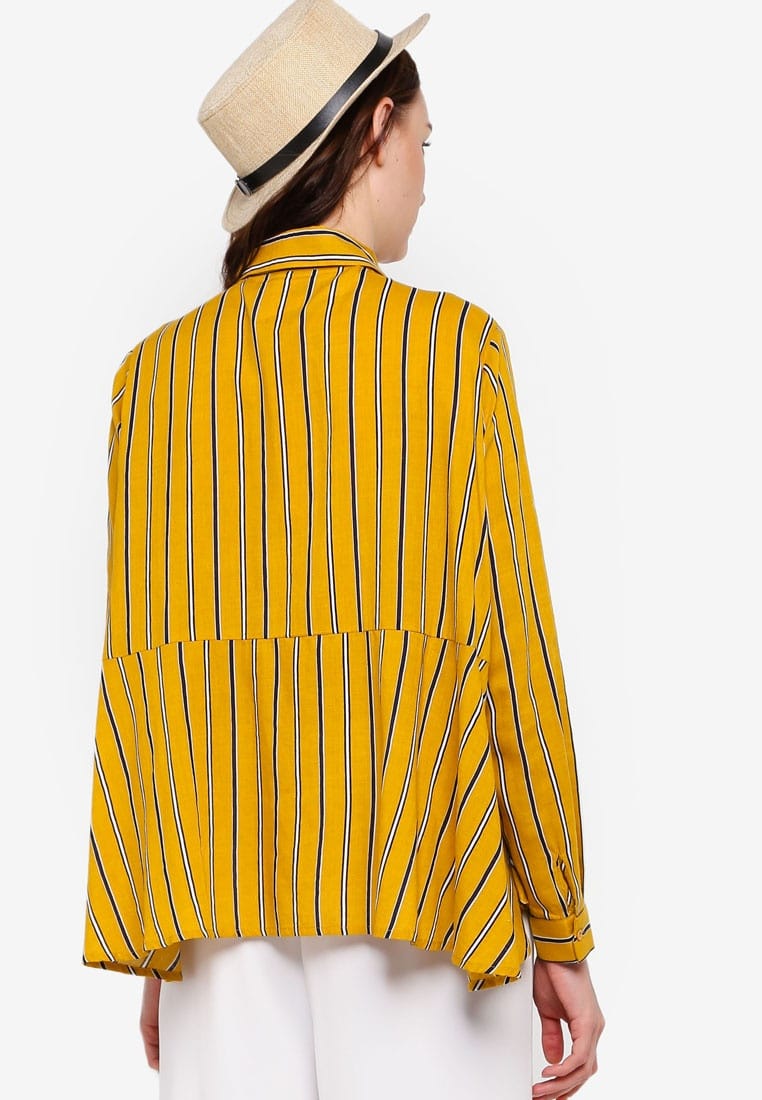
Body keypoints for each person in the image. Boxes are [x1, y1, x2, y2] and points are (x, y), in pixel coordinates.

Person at [81, 1, 605, 1096]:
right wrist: (559, 922)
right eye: (423, 140)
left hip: (212, 905)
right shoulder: (452, 351)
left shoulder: (151, 381)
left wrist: (160, 936)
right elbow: (512, 652)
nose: (426, 173)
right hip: (427, 885)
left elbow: (138, 674)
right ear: (374, 132)